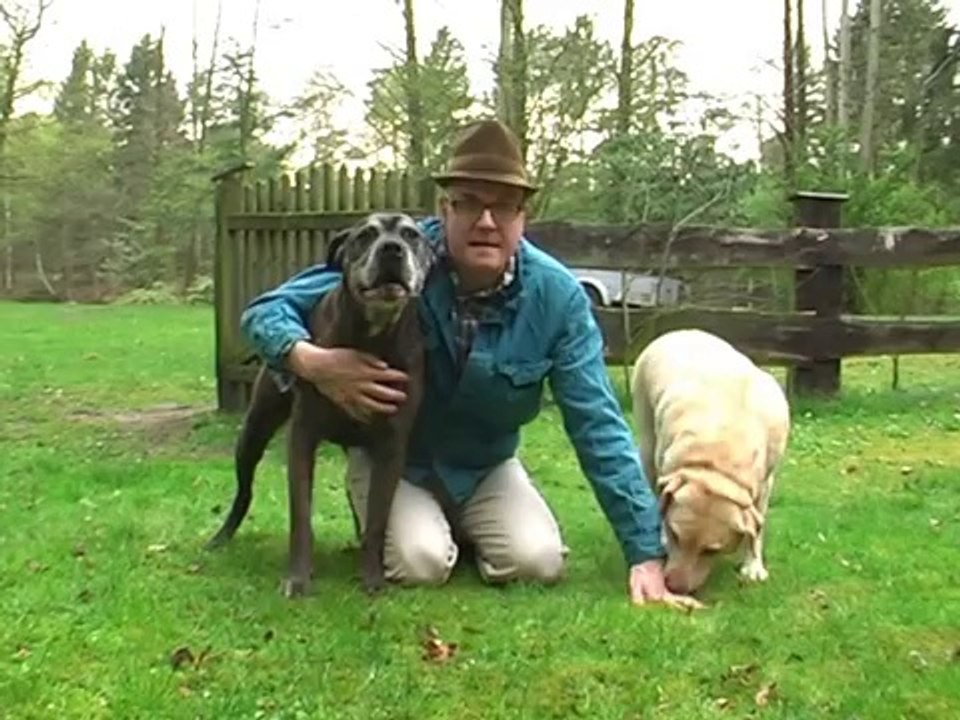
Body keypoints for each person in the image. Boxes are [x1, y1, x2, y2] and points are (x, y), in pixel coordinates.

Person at [238, 118, 701, 611]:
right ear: (445, 208)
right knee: (420, 564)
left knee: (537, 562)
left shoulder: (558, 299)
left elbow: (599, 425)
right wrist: (312, 361)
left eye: (503, 206)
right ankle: (407, 522)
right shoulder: (403, 255)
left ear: (524, 217)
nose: (486, 221)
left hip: (485, 465)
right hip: (400, 462)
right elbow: (265, 312)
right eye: (469, 203)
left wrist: (645, 552)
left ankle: (466, 523)